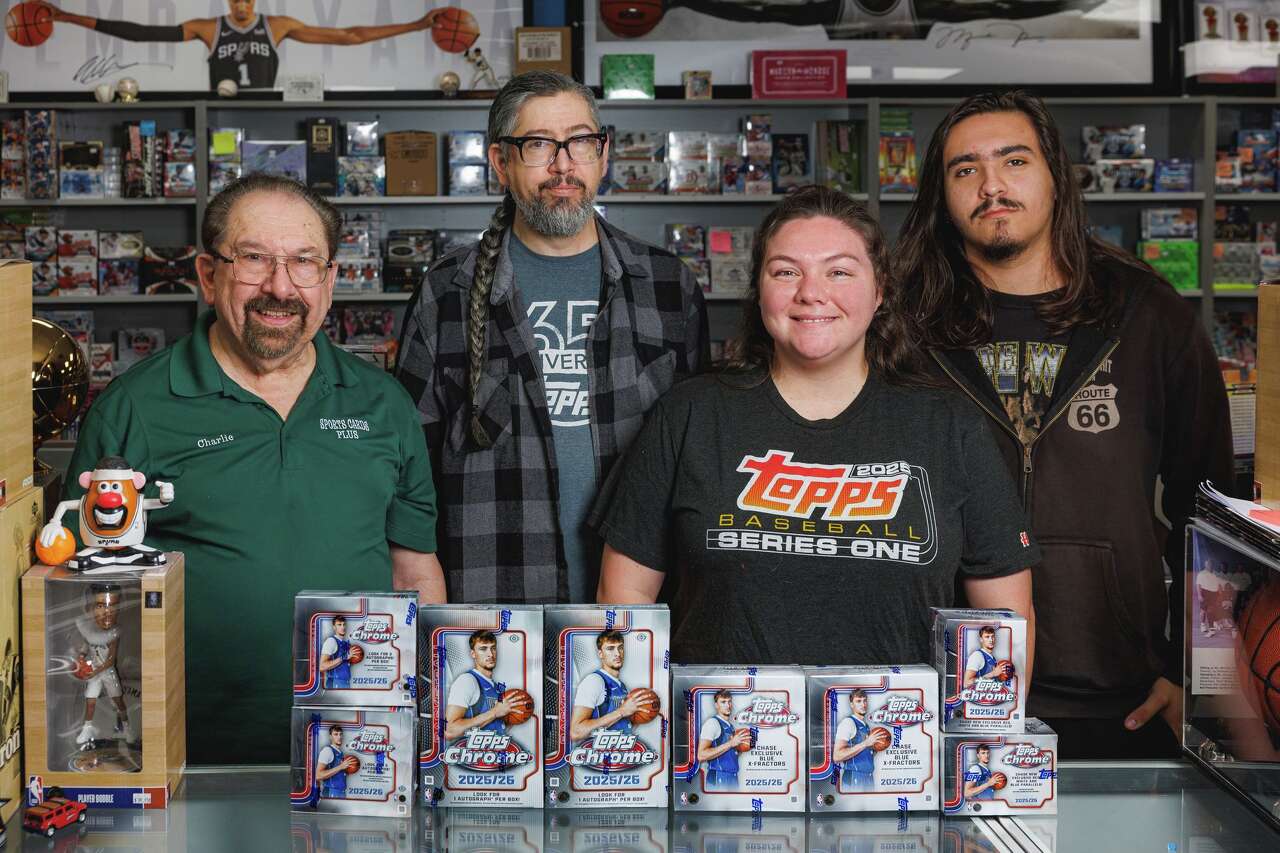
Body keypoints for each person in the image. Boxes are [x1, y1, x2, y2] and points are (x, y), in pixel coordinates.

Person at [894, 90, 1233, 759]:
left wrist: (1194, 672)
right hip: (937, 689)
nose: (991, 185)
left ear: (1056, 174)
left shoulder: (1145, 313)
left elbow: (1212, 510)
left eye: (1013, 160)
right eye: (965, 169)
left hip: (1120, 691)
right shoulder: (904, 322)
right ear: (942, 193)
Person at [60, 174, 442, 763]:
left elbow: (413, 571)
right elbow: (85, 587)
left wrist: (429, 715)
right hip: (182, 751)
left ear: (331, 279)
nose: (280, 287)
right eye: (254, 260)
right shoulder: (133, 408)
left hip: (360, 750)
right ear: (208, 275)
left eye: (304, 262)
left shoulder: (382, 404)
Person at [595, 186, 1035, 668]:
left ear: (880, 289)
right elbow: (624, 600)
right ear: (759, 288)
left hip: (901, 738)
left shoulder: (950, 426)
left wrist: (985, 737)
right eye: (786, 272)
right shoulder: (690, 415)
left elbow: (1009, 617)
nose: (811, 293)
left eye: (840, 271)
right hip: (721, 737)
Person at [398, 71, 707, 604]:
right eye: (539, 144)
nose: (564, 165)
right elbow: (409, 476)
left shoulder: (666, 286)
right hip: (492, 607)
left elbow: (701, 460)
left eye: (581, 142)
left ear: (603, 153)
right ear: (500, 162)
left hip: (638, 615)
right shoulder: (445, 291)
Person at [33, 0, 445, 90]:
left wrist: (416, 25)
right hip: (220, 112)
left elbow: (350, 36)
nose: (243, 5)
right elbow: (141, 33)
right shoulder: (207, 27)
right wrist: (69, 17)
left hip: (265, 106)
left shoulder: (278, 25)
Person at [73, 583, 133, 747]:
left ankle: (127, 728)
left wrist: (95, 671)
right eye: (101, 605)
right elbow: (86, 646)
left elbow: (110, 660)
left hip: (107, 672)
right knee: (90, 701)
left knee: (118, 701)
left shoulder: (114, 632)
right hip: (94, 672)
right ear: (90, 608)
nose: (107, 611)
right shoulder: (89, 630)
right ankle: (87, 728)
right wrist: (80, 657)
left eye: (112, 606)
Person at [570, 630, 641, 741]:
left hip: (619, 754)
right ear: (600, 654)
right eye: (610, 649)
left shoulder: (622, 686)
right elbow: (576, 732)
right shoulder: (594, 681)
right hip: (600, 756)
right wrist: (621, 712)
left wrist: (638, 716)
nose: (617, 653)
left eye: (620, 647)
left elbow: (619, 725)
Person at [444, 631, 510, 740]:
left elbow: (494, 727)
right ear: (473, 654)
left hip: (493, 754)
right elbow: (450, 730)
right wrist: (494, 712)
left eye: (493, 648)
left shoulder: (497, 687)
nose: (490, 654)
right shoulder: (467, 681)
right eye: (483, 649)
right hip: (473, 755)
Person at [833, 688, 885, 792]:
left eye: (865, 700)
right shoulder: (848, 723)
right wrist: (866, 743)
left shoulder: (865, 725)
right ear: (852, 704)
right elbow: (837, 756)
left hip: (868, 777)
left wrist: (875, 748)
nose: (863, 704)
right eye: (858, 701)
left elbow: (862, 754)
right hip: (854, 777)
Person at [697, 689, 747, 789]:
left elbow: (729, 752)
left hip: (732, 776)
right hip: (718, 776)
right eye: (723, 702)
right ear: (716, 705)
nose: (727, 705)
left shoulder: (731, 726)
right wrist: (731, 743)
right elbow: (701, 755)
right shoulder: (712, 723)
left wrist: (742, 746)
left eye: (729, 701)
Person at [316, 725, 351, 799]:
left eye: (340, 734)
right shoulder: (327, 751)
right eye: (336, 734)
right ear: (330, 737)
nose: (339, 737)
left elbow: (337, 772)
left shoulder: (340, 752)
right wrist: (341, 767)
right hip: (331, 792)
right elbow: (318, 775)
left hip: (341, 792)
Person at [319, 615, 353, 690]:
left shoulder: (346, 643)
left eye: (344, 624)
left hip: (345, 682)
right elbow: (322, 666)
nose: (342, 627)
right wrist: (343, 657)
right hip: (335, 683)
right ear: (334, 627)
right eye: (339, 625)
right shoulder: (331, 641)